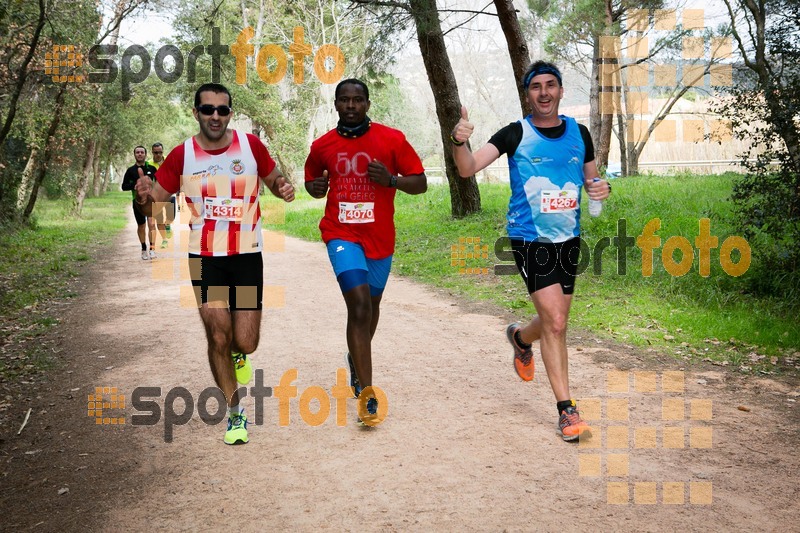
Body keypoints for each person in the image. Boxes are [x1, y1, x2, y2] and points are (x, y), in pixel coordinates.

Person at [451, 61, 610, 442]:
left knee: (555, 321)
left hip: (568, 238)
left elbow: (592, 180)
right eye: (536, 86)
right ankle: (567, 412)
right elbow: (468, 169)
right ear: (528, 94)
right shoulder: (514, 134)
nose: (543, 92)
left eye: (550, 85)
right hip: (529, 239)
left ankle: (522, 339)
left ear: (560, 91)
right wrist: (459, 141)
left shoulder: (580, 134)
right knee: (555, 321)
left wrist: (600, 189)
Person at [133, 83, 295, 445]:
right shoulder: (182, 156)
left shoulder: (250, 147)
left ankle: (239, 356)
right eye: (208, 110)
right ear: (196, 114)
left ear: (230, 114)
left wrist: (284, 187)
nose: (216, 116)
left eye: (223, 110)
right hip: (205, 258)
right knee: (218, 333)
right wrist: (144, 199)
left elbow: (273, 178)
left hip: (247, 255)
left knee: (246, 341)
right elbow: (156, 209)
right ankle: (235, 415)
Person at [304, 78, 427, 425]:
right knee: (358, 304)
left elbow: (420, 182)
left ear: (368, 103)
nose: (351, 106)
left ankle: (356, 360)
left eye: (358, 100)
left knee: (371, 308)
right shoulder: (322, 145)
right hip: (341, 234)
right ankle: (367, 394)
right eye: (344, 100)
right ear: (336, 105)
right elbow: (313, 182)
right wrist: (315, 188)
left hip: (380, 239)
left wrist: (391, 180)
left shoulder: (392, 140)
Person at [121, 146, 158, 260]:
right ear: (135, 155)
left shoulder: (152, 169)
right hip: (137, 202)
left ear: (146, 154)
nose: (140, 154)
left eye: (142, 152)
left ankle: (152, 249)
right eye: (137, 152)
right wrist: (134, 186)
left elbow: (159, 183)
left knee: (151, 224)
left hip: (151, 201)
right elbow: (124, 186)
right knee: (141, 225)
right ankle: (143, 248)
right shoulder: (130, 170)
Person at [147, 142, 174, 249]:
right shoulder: (148, 164)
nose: (158, 154)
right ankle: (164, 240)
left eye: (160, 152)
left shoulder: (169, 160)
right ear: (152, 152)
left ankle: (168, 225)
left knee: (171, 216)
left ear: (163, 151)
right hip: (156, 196)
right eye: (156, 152)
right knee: (159, 219)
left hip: (169, 193)